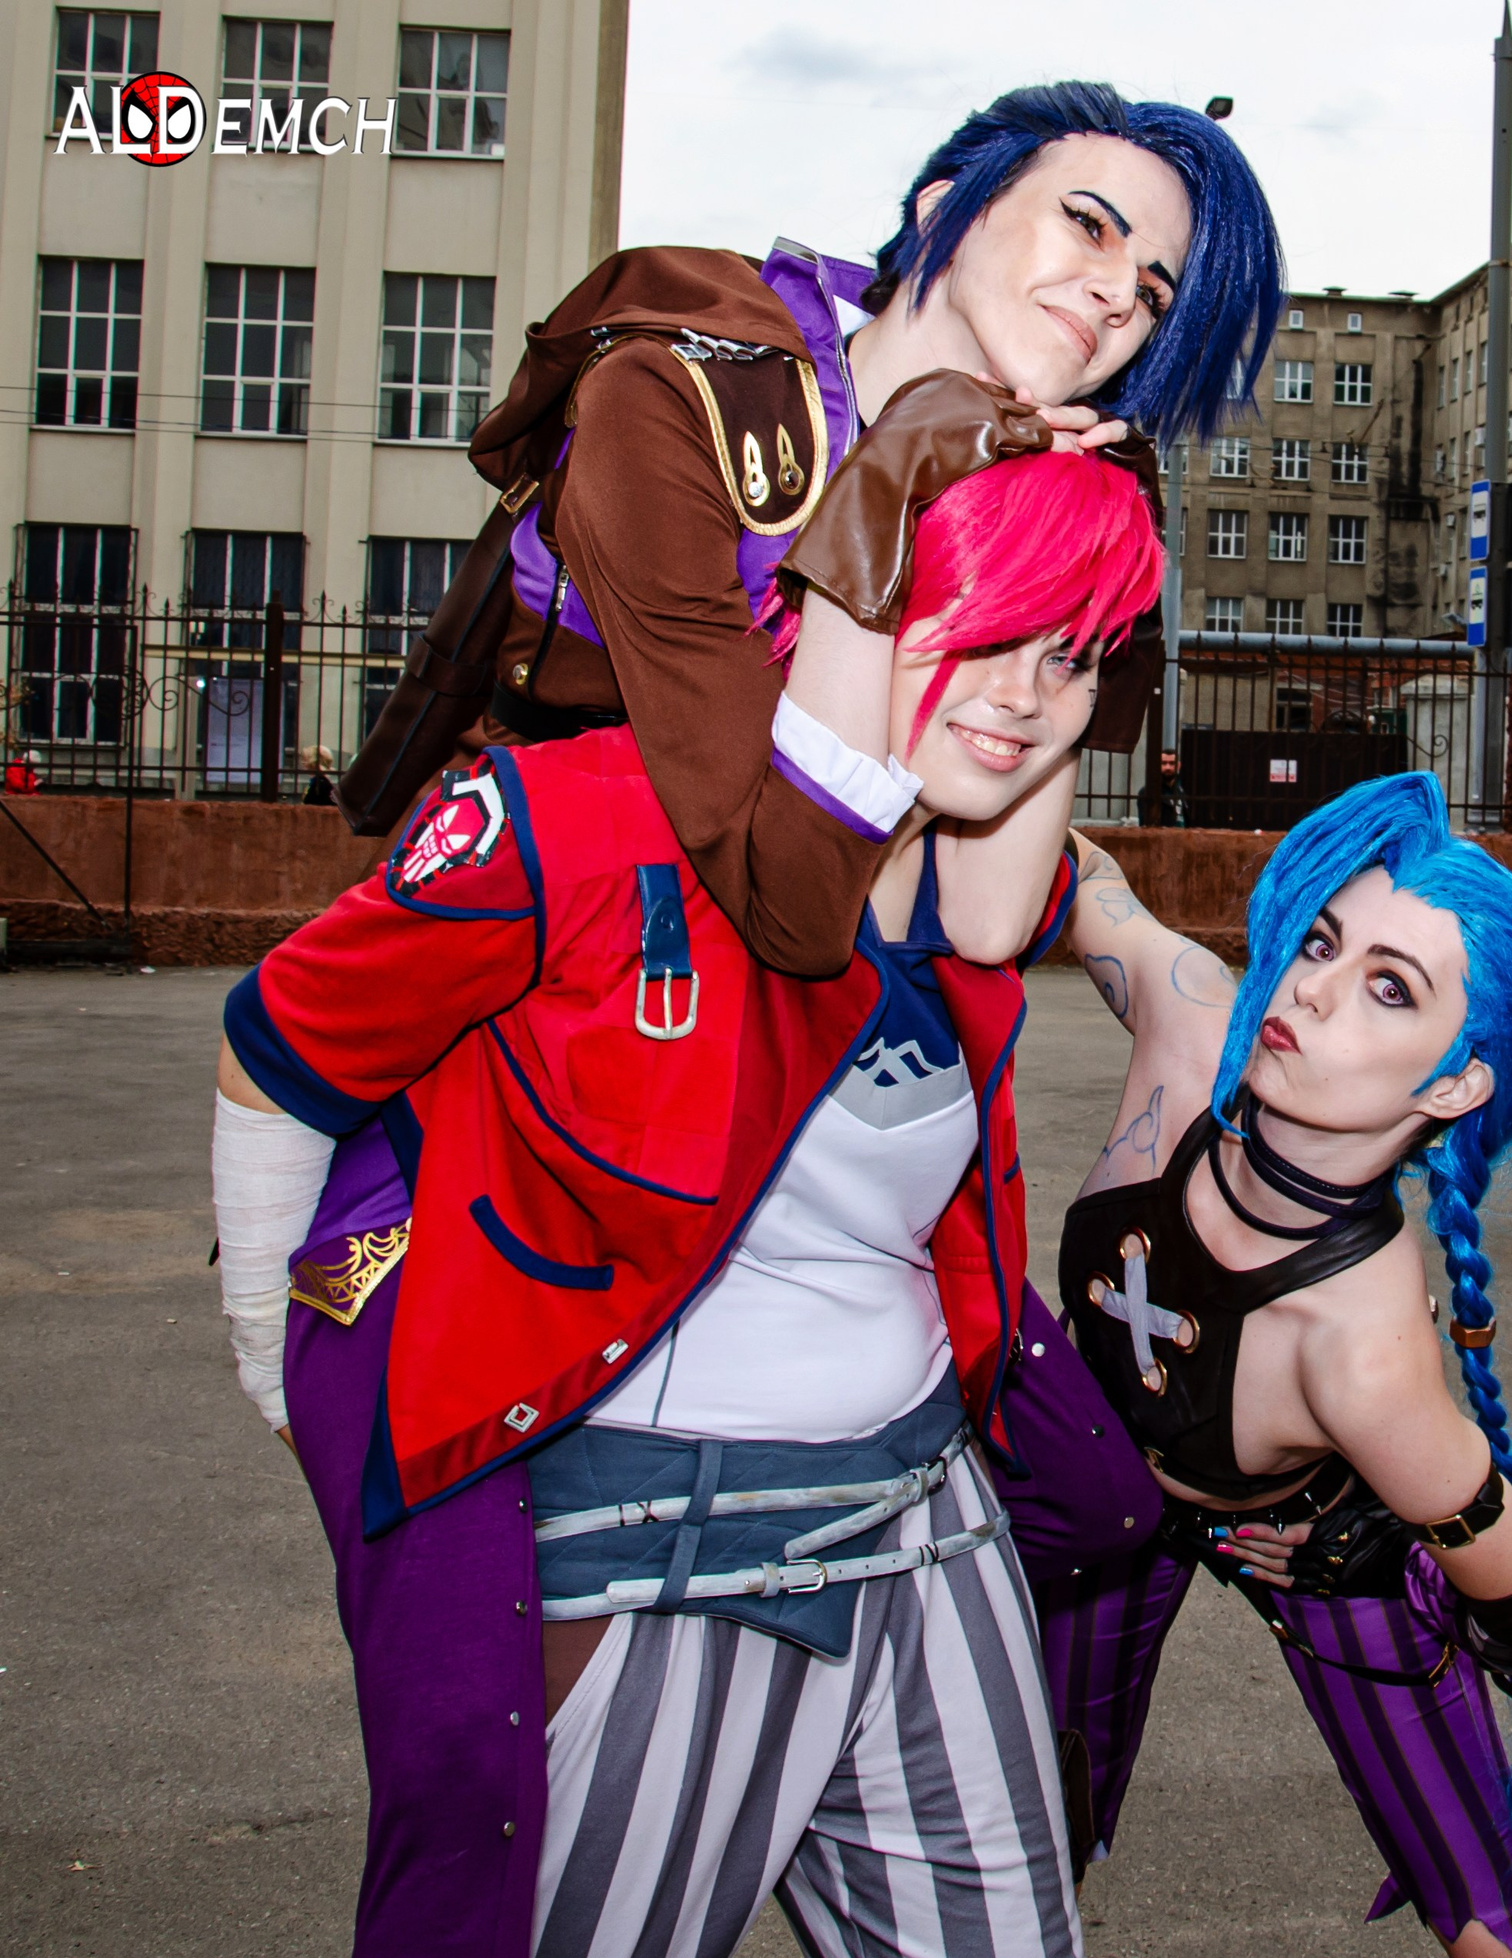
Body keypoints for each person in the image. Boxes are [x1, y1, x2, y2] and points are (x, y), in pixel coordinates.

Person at [211, 444, 1163, 1958]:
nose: (1026, 694)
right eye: (982, 625)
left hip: (933, 1525)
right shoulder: (580, 817)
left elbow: (1065, 883)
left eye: (1072, 656)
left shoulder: (972, 875)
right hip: (669, 1556)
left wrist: (1166, 972)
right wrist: (284, 1361)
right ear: (850, 601)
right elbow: (284, 1042)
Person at [343, 78, 1282, 980]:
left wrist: (1085, 543)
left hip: (763, 1004)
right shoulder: (676, 395)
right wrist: (885, 481)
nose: (1118, 296)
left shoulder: (1018, 476)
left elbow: (989, 918)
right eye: (1088, 224)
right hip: (532, 942)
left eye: (1152, 296)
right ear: (946, 211)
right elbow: (788, 909)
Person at [1042, 772, 1512, 1958]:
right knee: (1013, 1825)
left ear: (1454, 1081)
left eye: (1388, 986)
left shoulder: (1365, 1352)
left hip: (1315, 1542)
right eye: (1321, 941)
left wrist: (1400, 1556)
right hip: (1092, 1493)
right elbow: (1079, 875)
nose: (1310, 987)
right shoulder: (1190, 1026)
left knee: (1488, 1909)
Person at [1135, 747, 1188, 826]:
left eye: (1172, 763)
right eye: (1163, 763)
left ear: (1178, 766)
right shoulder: (1148, 792)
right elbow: (1145, 825)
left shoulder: (1181, 790)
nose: (1167, 767)